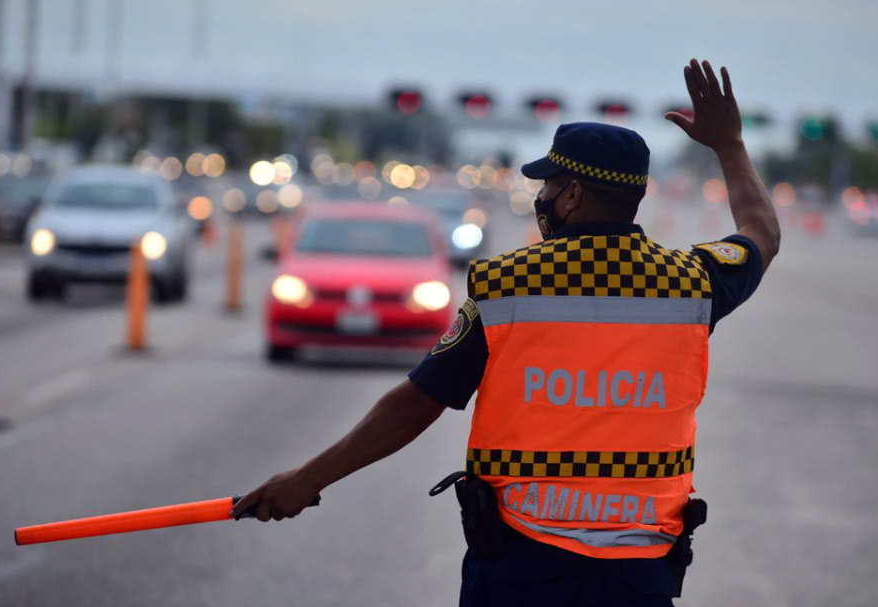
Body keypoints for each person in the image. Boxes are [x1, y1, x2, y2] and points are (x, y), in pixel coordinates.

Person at [231, 59, 780, 606]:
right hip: (639, 572)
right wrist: (729, 145)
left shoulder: (508, 286)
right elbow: (761, 233)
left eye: (548, 185)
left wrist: (308, 479)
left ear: (572, 197)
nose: (540, 198)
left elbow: (417, 403)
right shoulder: (693, 284)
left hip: (525, 564)